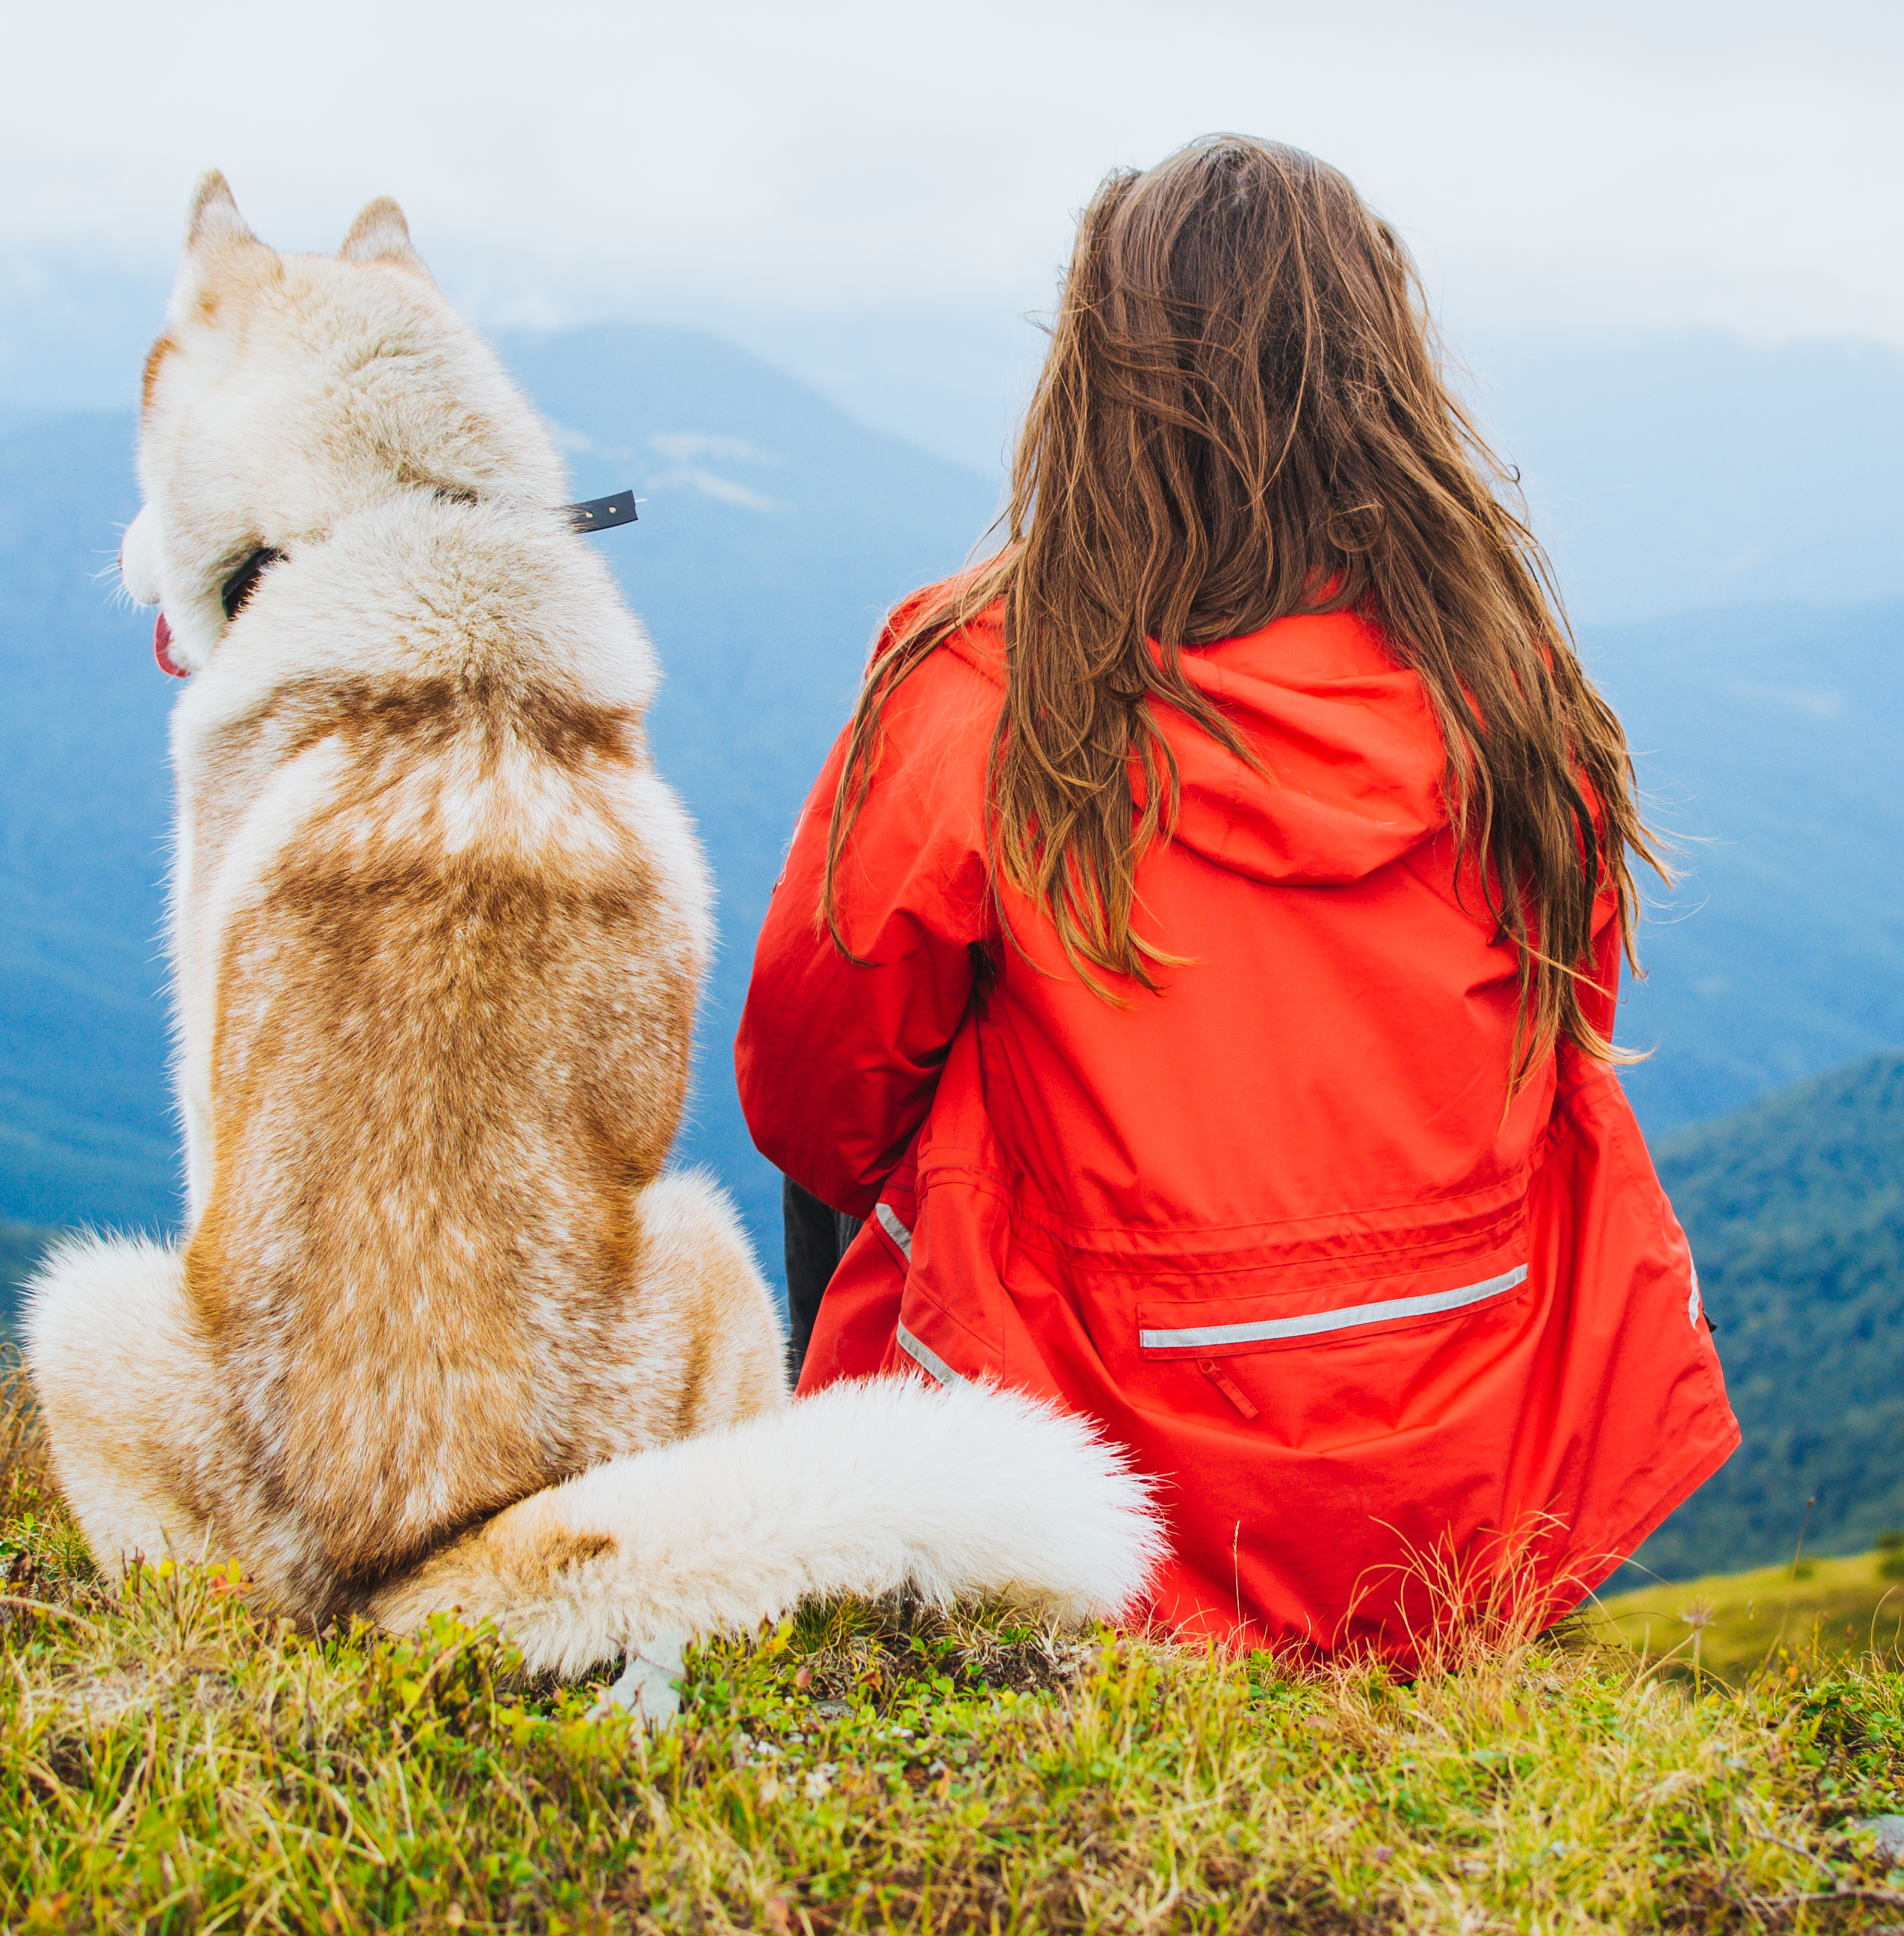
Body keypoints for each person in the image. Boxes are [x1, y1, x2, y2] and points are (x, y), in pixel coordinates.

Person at [734, 134, 1737, 1660]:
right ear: (1380, 381)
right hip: (1470, 1482)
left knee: (894, 1082)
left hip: (1094, 1487)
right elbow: (1568, 1025)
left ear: (1097, 379)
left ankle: (857, 1515)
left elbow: (812, 1098)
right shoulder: (1507, 690)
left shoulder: (984, 689)